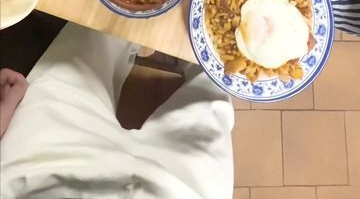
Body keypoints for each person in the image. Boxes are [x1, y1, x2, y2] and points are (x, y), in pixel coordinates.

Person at [0, 23, 234, 199]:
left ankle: (142, 17)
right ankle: (202, 30)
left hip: (37, 173)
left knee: (98, 27)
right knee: (214, 83)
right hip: (180, 191)